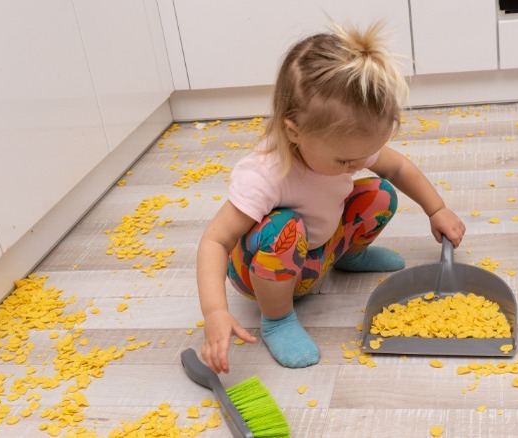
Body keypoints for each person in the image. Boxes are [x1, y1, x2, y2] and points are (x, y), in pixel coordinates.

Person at [197, 22, 466, 374]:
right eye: (345, 161)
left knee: (380, 194)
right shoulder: (265, 174)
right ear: (295, 132)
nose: (356, 165)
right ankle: (277, 319)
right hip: (263, 273)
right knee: (284, 229)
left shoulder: (343, 145)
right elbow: (214, 241)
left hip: (317, 251)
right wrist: (215, 312)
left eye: (365, 154)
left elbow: (397, 169)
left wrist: (437, 209)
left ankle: (349, 258)